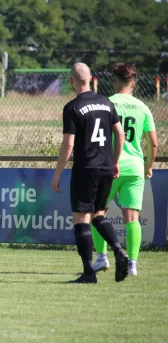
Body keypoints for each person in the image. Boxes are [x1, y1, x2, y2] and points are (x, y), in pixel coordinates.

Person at [51, 63, 129, 284]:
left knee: (81, 218)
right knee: (98, 215)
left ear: (72, 82)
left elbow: (68, 145)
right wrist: (114, 162)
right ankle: (117, 249)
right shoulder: (106, 102)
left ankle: (88, 273)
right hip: (105, 168)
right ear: (91, 79)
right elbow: (119, 134)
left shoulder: (72, 107)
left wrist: (57, 174)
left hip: (86, 169)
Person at [92, 64, 158, 276]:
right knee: (132, 218)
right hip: (135, 168)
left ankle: (102, 258)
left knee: (97, 213)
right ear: (134, 83)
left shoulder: (107, 103)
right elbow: (153, 143)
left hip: (111, 166)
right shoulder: (143, 107)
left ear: (114, 81)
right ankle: (133, 264)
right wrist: (148, 167)